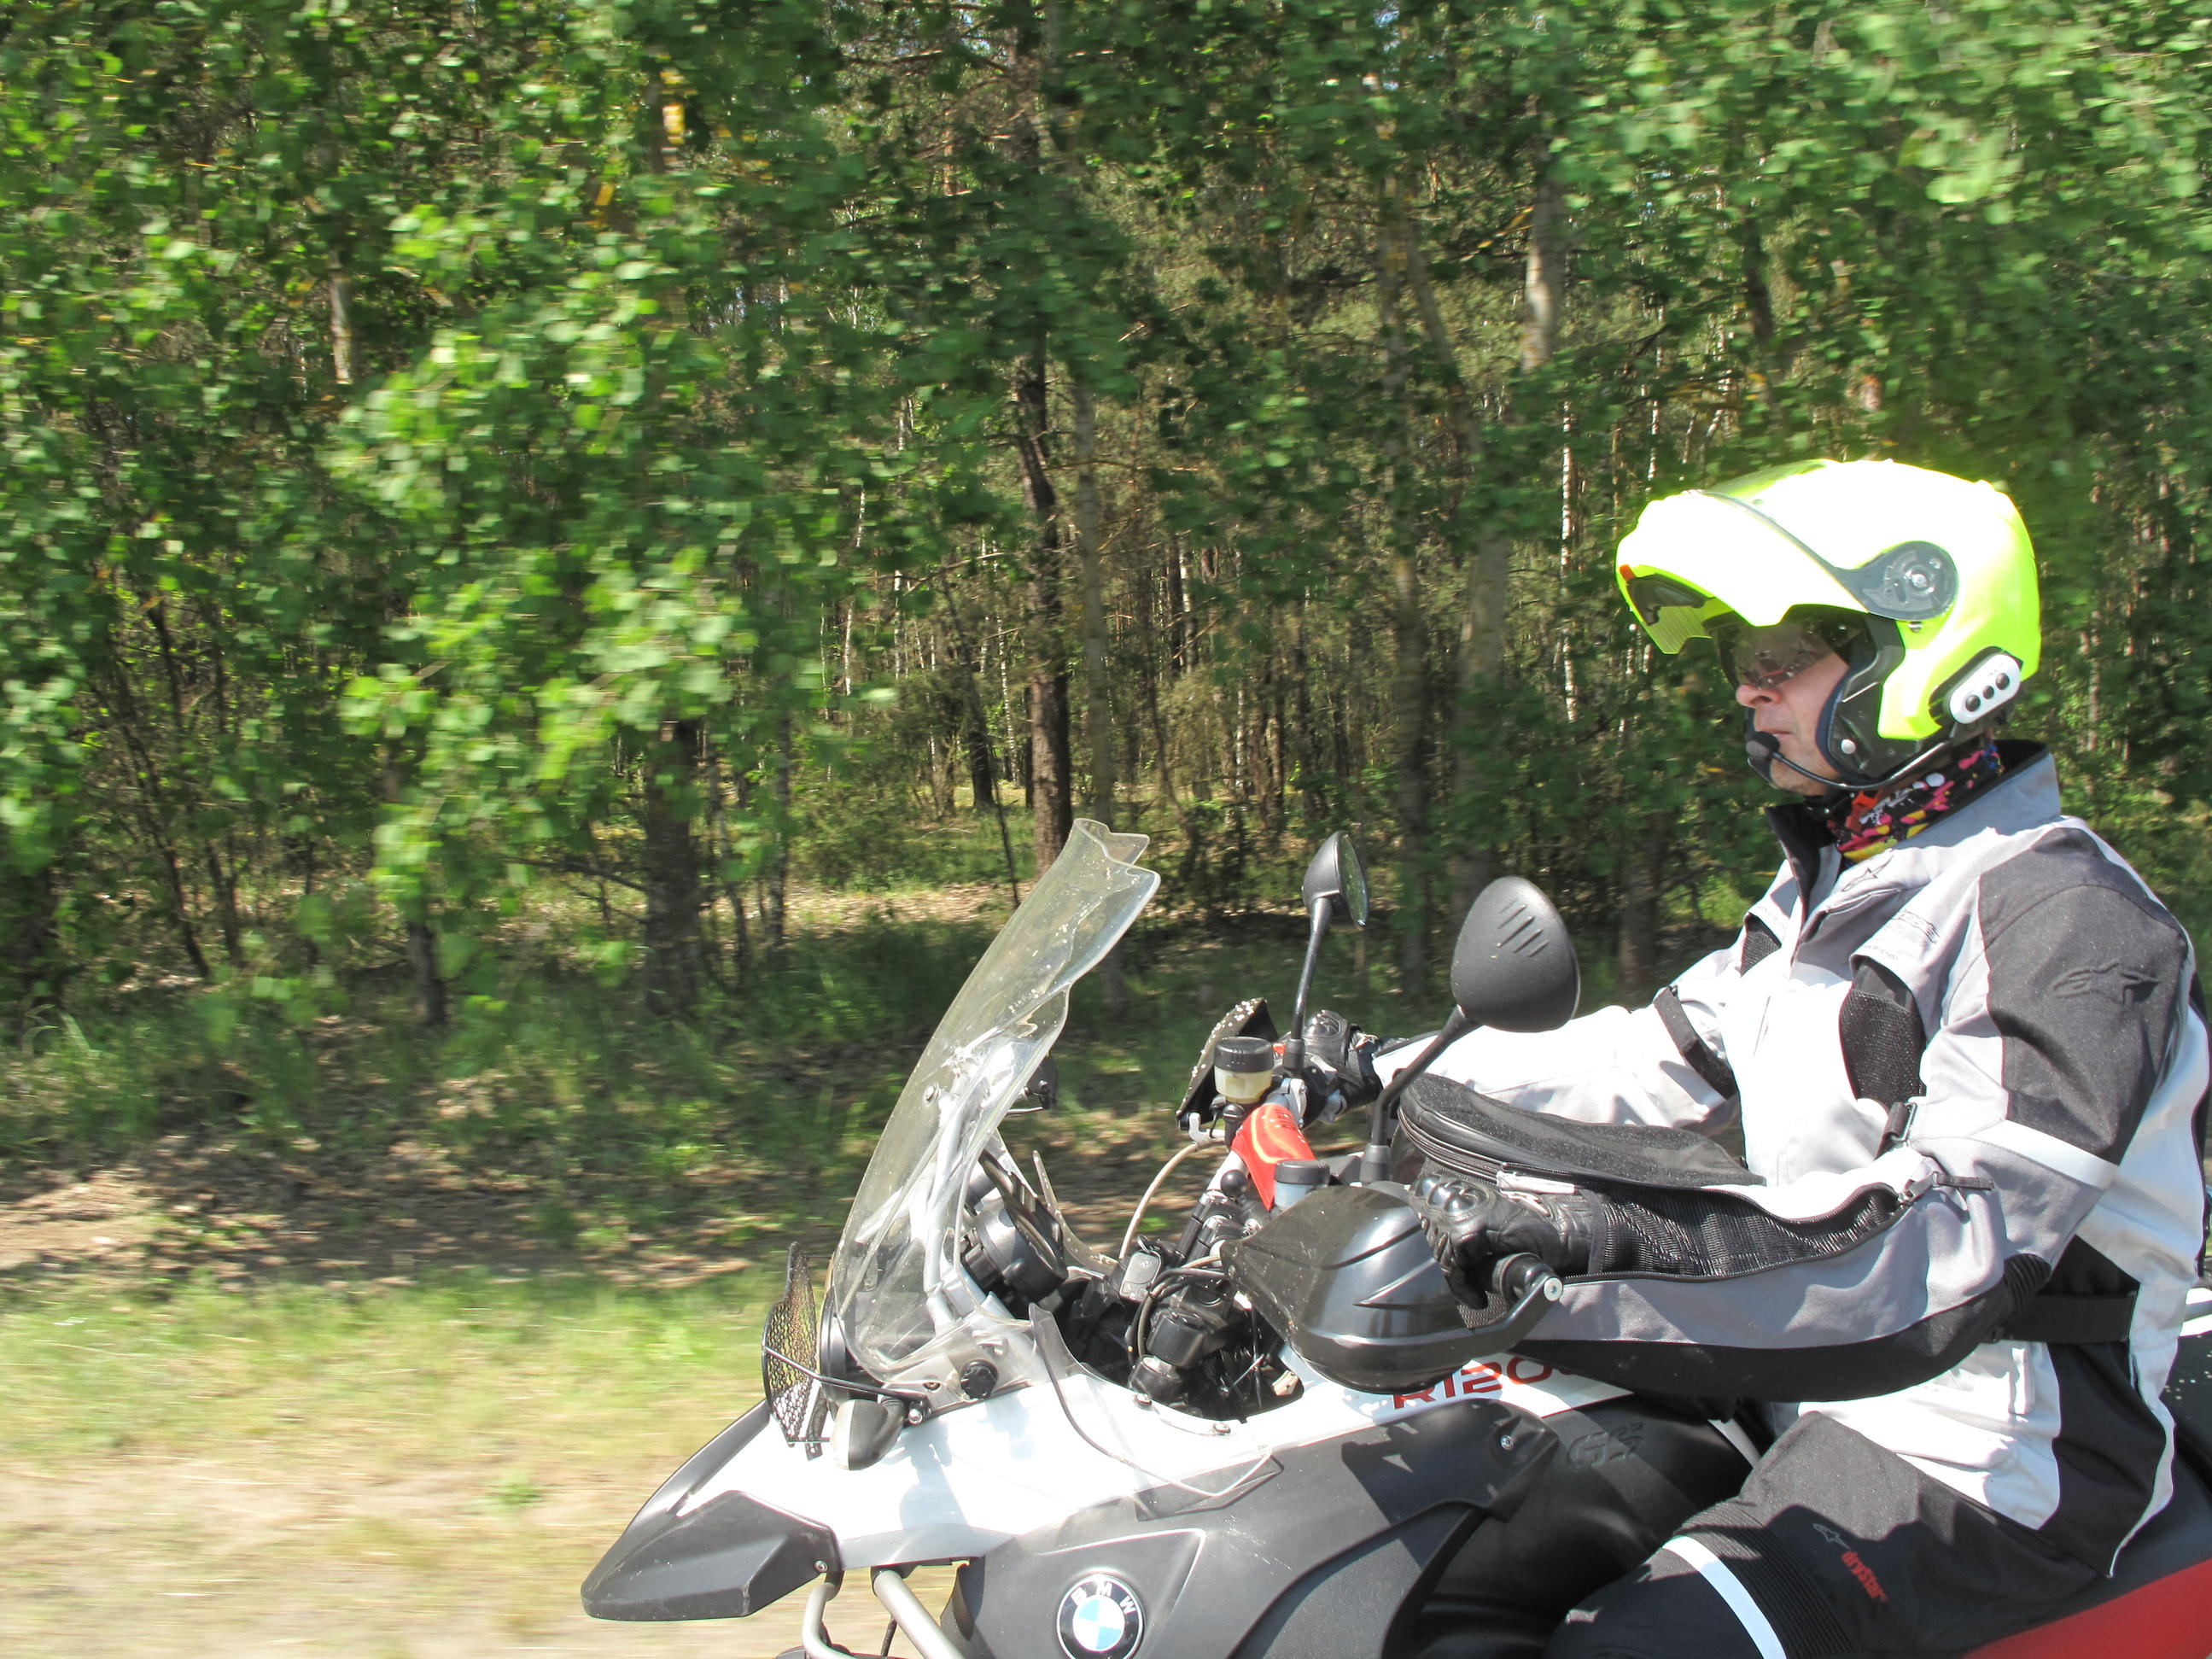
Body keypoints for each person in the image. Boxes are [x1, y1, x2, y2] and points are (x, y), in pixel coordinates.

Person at [1359, 459, 2208, 1656]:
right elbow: (1656, 1057)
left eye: (1785, 654)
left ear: (1920, 650)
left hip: (1997, 1447)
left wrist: (1582, 1247)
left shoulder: (2068, 923)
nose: (1749, 689)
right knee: (1444, 1556)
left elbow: (1948, 1248)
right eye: (1738, 657)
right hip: (1809, 1375)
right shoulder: (1842, 889)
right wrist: (1385, 1077)